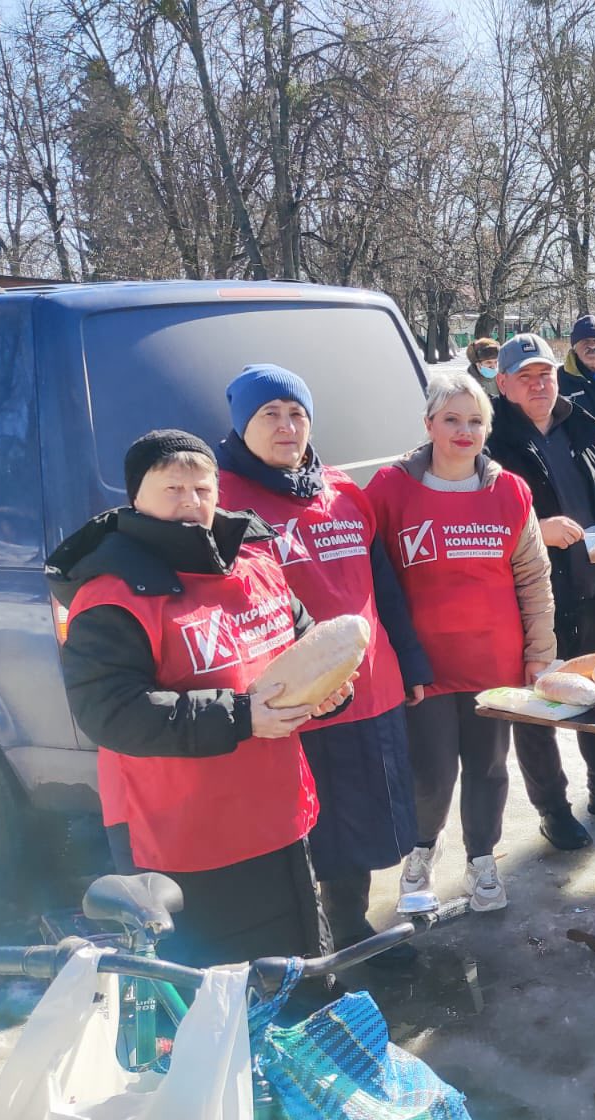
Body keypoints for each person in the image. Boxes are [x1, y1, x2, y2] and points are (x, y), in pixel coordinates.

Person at [47, 430, 353, 968]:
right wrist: (241, 716)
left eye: (202, 488)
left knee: (299, 968)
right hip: (184, 835)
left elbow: (307, 649)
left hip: (278, 814)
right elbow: (110, 712)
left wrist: (329, 694)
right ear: (135, 498)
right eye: (173, 488)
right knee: (218, 994)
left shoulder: (257, 567)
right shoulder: (111, 595)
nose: (191, 501)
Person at [215, 364, 429, 960]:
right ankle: (307, 937)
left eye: (297, 415)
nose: (286, 427)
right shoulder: (220, 499)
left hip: (370, 686)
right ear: (240, 423)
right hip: (290, 698)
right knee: (305, 825)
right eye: (270, 415)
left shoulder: (340, 489)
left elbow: (382, 584)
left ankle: (350, 923)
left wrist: (409, 661)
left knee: (362, 821)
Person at [366, 373, 557, 910]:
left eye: (475, 421)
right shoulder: (390, 488)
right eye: (451, 419)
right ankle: (422, 850)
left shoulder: (509, 491)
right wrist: (390, 661)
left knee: (489, 768)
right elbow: (371, 578)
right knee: (429, 772)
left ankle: (482, 859)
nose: (464, 431)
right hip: (423, 666)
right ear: (428, 424)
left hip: (493, 662)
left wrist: (540, 652)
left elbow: (533, 577)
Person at [487, 334, 595, 836]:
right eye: (525, 377)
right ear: (503, 384)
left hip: (590, 587)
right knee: (539, 703)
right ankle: (554, 812)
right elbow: (475, 517)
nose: (539, 384)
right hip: (529, 600)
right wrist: (532, 533)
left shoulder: (582, 423)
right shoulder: (490, 440)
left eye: (544, 373)